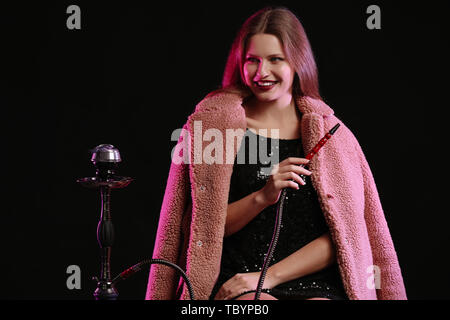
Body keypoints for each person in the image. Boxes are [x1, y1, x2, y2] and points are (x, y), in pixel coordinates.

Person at [146, 6, 407, 300]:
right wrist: (262, 197)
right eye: (252, 60)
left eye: (275, 60)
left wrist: (267, 277)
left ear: (297, 63)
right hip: (237, 283)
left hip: (314, 283)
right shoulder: (211, 128)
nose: (262, 72)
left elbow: (347, 235)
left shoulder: (334, 137)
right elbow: (197, 229)